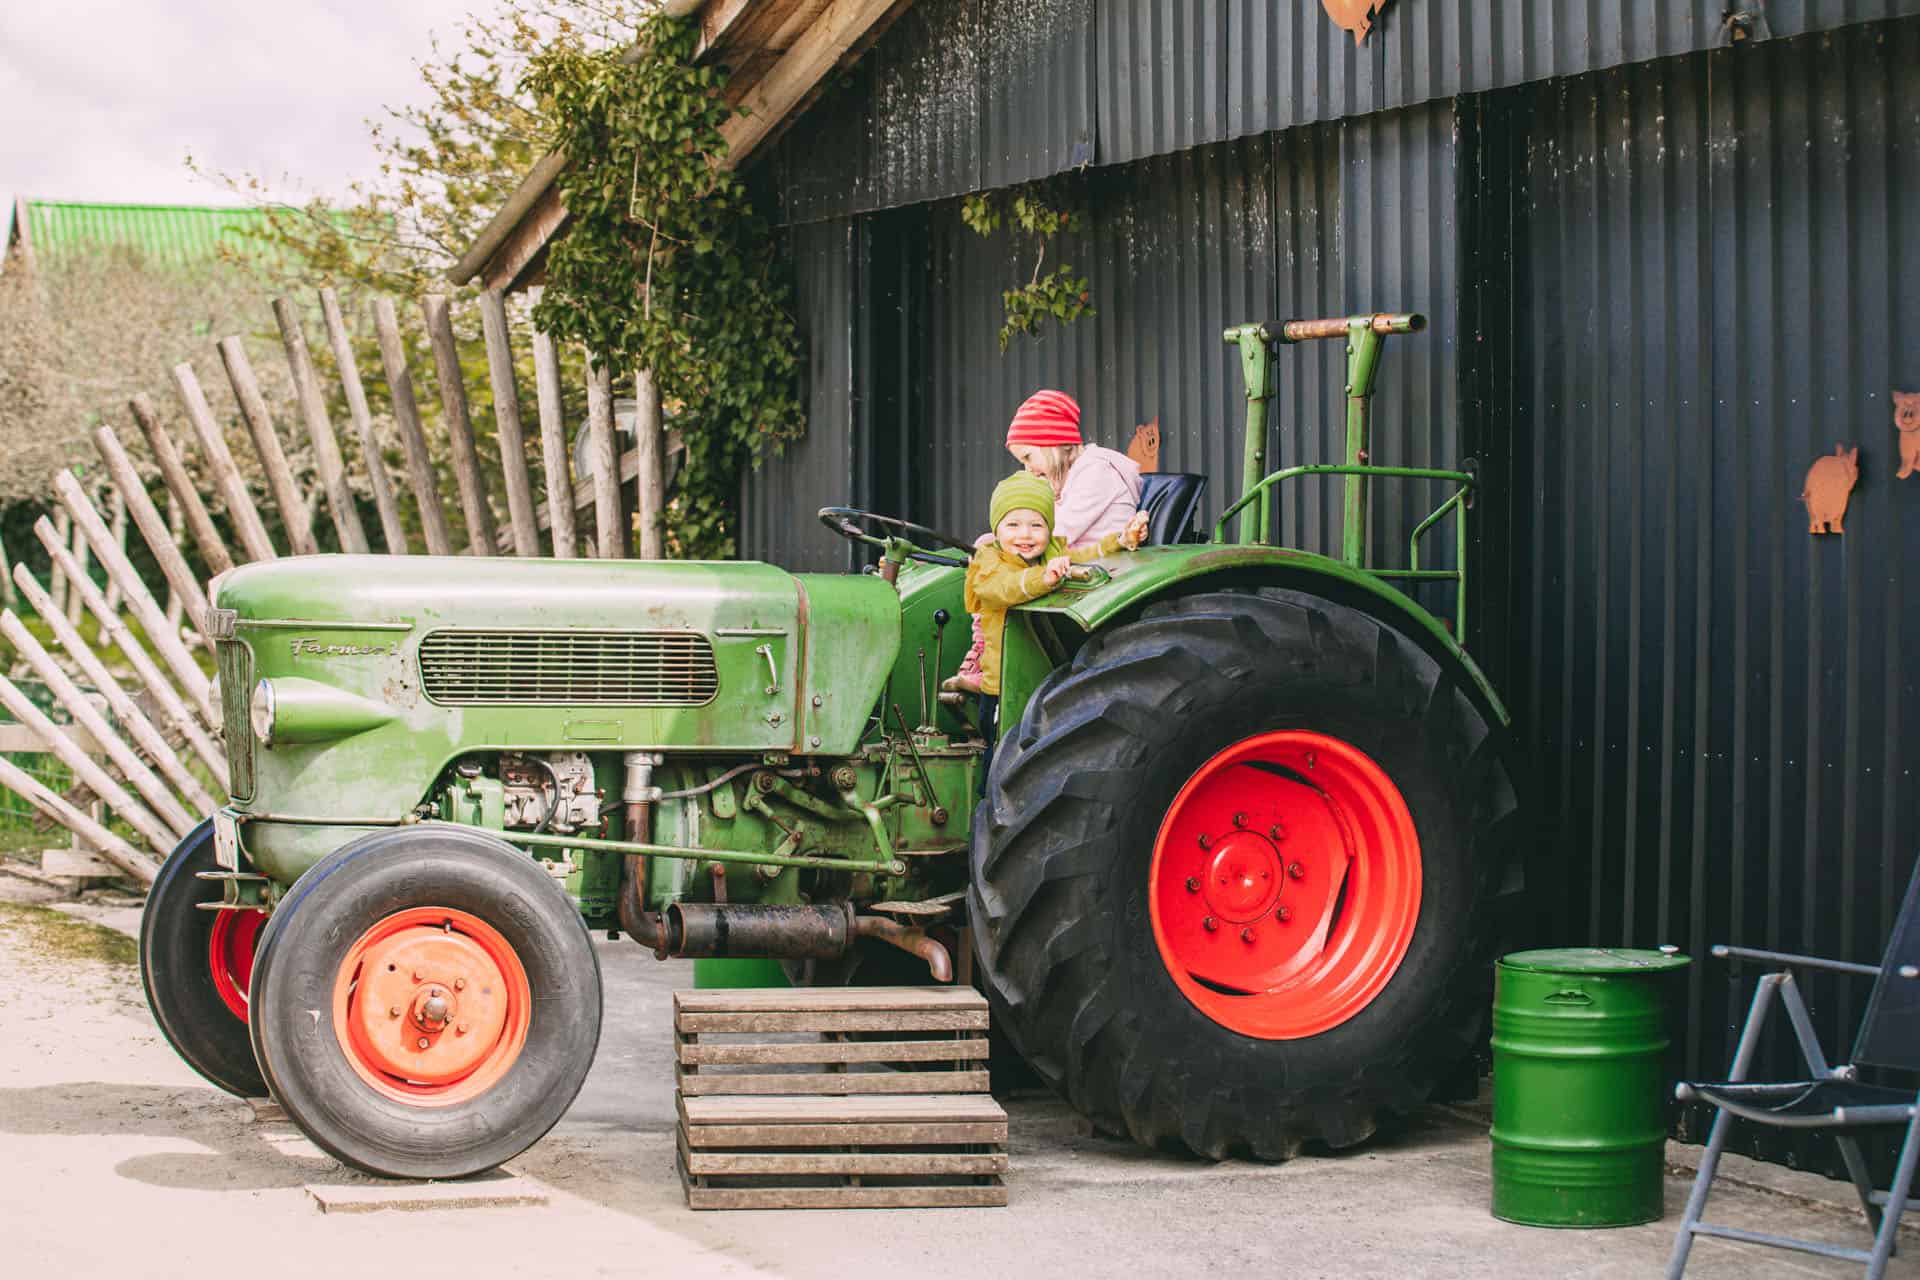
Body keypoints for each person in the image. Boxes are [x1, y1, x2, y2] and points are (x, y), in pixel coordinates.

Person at [946, 389, 1143, 694]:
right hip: (1069, 556)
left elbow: (1055, 529)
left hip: (1099, 569)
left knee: (990, 557)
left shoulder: (1097, 473)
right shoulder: (1069, 474)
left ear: (1053, 443)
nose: (1028, 468)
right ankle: (985, 648)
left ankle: (985, 652)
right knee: (987, 550)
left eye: (1028, 457)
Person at [965, 472, 1148, 789]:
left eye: (1037, 525)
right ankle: (986, 807)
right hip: (1000, 690)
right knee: (999, 759)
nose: (1025, 534)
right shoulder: (989, 561)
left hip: (1040, 682)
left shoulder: (1050, 553)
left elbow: (1085, 555)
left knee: (1031, 755)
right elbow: (1001, 589)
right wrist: (1043, 579)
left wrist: (1120, 540)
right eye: (1013, 525)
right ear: (997, 530)